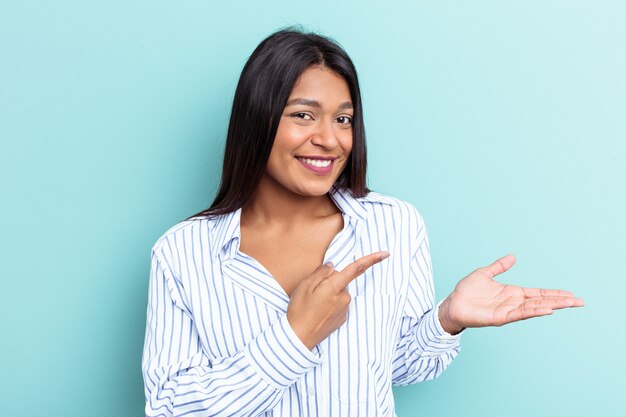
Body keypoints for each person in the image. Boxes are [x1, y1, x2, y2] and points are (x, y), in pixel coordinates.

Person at [141, 28, 584, 417]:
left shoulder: (393, 226)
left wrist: (447, 319)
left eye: (343, 119)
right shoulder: (183, 253)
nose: (329, 139)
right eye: (302, 114)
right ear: (258, 118)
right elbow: (167, 407)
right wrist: (294, 337)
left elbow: (398, 367)